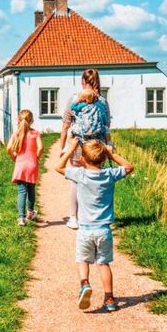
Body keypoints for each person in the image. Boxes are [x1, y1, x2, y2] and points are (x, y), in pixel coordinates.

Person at [56, 137, 134, 312]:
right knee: (103, 264)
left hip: (85, 229)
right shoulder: (109, 175)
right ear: (103, 158)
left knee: (83, 260)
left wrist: (71, 148)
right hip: (104, 230)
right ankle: (110, 299)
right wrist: (111, 154)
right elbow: (129, 167)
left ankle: (85, 284)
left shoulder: (80, 174)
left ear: (83, 159)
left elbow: (58, 167)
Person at [59, 68, 112, 229]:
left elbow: (66, 123)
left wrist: (62, 147)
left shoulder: (75, 99)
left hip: (78, 144)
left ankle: (74, 217)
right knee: (96, 179)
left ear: (82, 81)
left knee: (76, 179)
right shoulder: (102, 101)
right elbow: (107, 124)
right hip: (96, 145)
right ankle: (95, 216)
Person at [7, 109, 43, 226]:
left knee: (22, 192)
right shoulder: (35, 133)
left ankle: (21, 218)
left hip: (20, 165)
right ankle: (31, 212)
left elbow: (9, 148)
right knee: (31, 190)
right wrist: (36, 158)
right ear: (31, 120)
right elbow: (41, 148)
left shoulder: (16, 134)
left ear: (19, 120)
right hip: (32, 164)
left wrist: (14, 158)